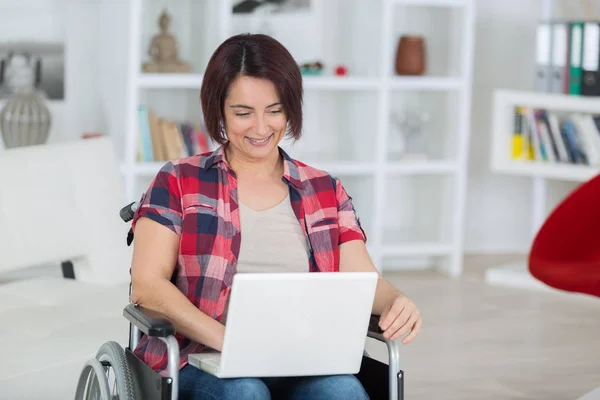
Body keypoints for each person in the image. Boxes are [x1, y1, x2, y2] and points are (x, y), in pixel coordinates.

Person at [130, 33, 422, 400]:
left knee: (343, 390)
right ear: (218, 108)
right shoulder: (178, 180)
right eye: (243, 113)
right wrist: (233, 344)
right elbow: (147, 286)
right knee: (244, 391)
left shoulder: (325, 190)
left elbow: (365, 282)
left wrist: (396, 301)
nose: (261, 127)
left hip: (301, 360)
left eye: (275, 110)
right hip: (200, 360)